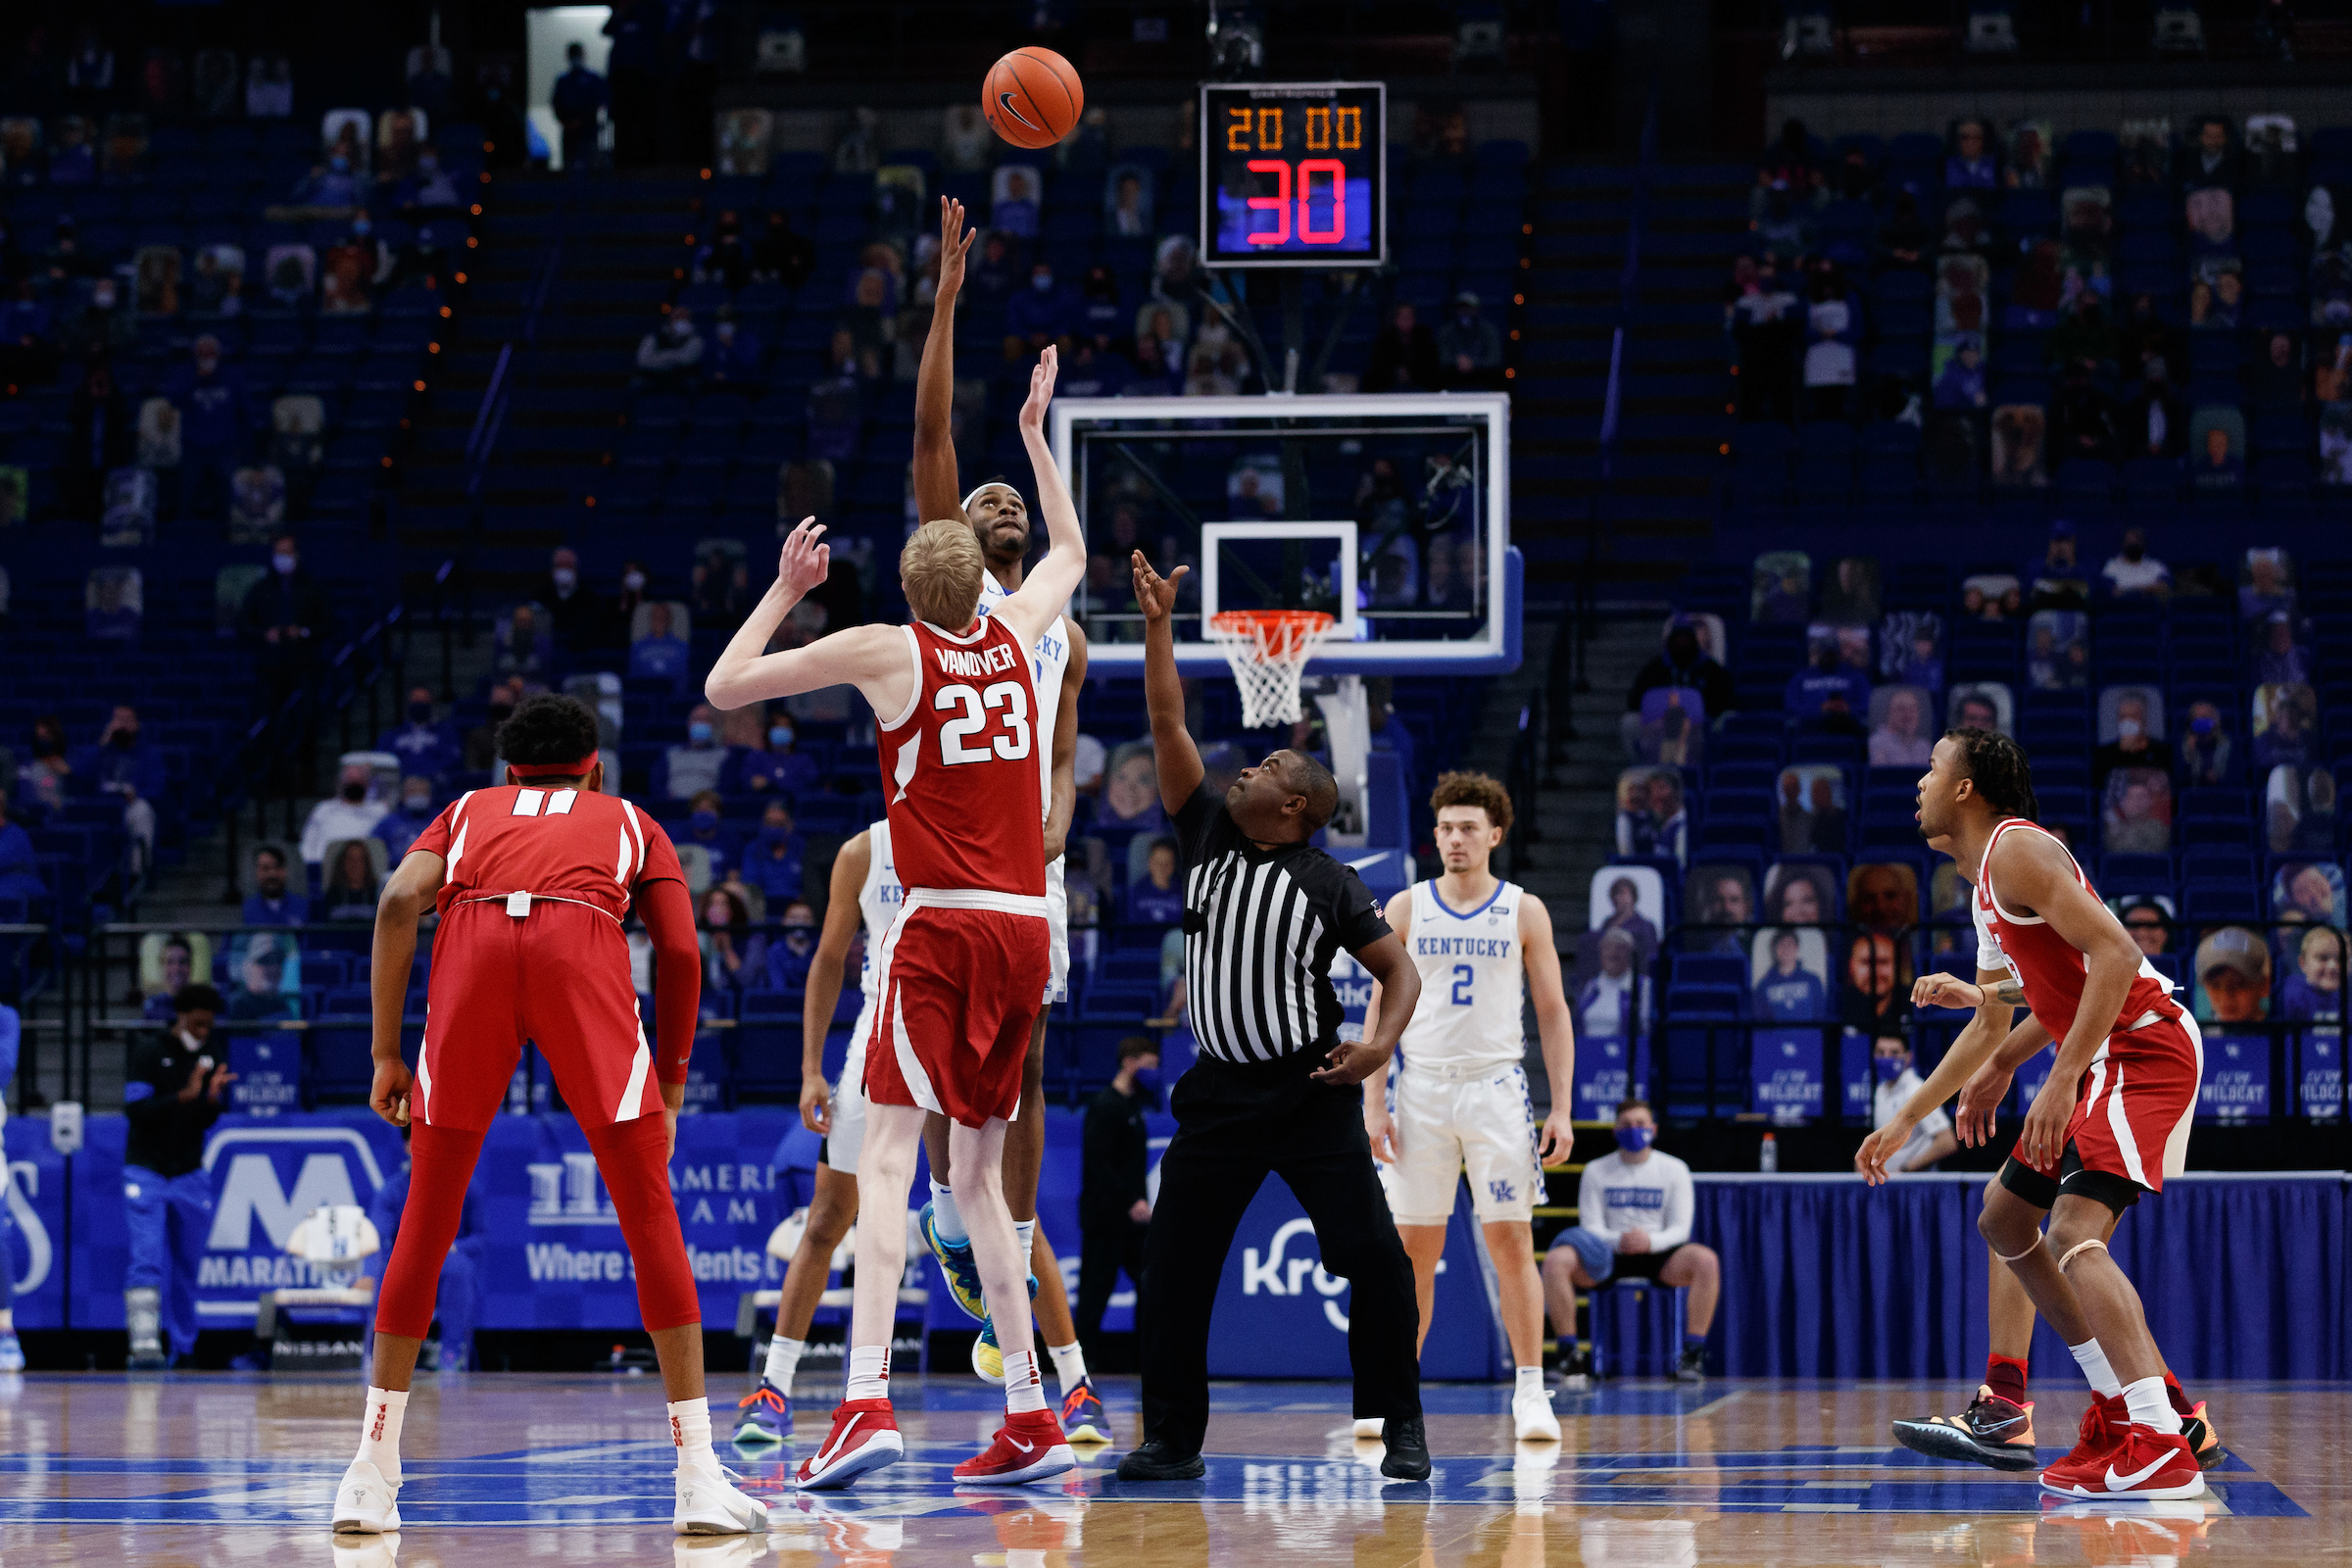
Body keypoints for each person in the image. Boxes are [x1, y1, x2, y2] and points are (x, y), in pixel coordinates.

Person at [701, 344, 1087, 1491]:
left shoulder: (888, 650)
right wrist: (1034, 434)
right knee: (976, 1184)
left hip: (942, 926)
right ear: (980, 583)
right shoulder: (1023, 631)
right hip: (1026, 928)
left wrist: (786, 589)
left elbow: (725, 686)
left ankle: (864, 1399)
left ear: (913, 592)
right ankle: (1033, 1411)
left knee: (883, 1162)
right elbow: (1070, 549)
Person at [331, 695, 766, 1536]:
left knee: (427, 1214)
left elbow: (394, 903)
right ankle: (698, 1477)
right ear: (594, 770)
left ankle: (370, 1471)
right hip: (581, 947)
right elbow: (681, 951)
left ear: (510, 773)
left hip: (473, 949)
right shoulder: (630, 820)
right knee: (649, 1214)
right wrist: (672, 1085)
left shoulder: (467, 811)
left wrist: (386, 1053)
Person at [1114, 548, 1428, 1484]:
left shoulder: (1331, 881)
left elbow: (1399, 973)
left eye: (1268, 765)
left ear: (1293, 805)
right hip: (1217, 1094)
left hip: (1307, 1090)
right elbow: (1166, 719)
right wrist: (1161, 627)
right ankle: (1173, 1438)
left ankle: (1401, 1423)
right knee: (1173, 1264)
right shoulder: (1206, 829)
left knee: (1373, 1254)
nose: (1247, 765)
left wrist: (1375, 1049)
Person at [1864, 728, 2214, 1497]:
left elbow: (2117, 956)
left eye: (1933, 767)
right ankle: (2122, 1410)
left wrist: (2056, 1079)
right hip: (2103, 1054)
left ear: (1965, 788)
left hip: (2142, 1049)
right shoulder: (1984, 885)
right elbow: (2003, 1015)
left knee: (2074, 1234)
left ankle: (2159, 1437)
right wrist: (1909, 1118)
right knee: (2005, 1218)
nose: (1920, 781)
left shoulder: (2018, 849)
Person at [904, 201, 1103, 1436]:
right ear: (957, 534)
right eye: (983, 499)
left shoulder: (1055, 628)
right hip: (941, 858)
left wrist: (1059, 821)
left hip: (1027, 866)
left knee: (1023, 1064)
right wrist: (945, 299)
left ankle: (1005, 1246)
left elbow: (1068, 756)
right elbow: (933, 431)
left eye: (1012, 498)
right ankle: (948, 1215)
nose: (1001, 504)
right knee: (944, 1059)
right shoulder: (951, 597)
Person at [1358, 771, 1576, 1443]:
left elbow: (1553, 1012)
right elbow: (1379, 1009)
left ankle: (1531, 1393)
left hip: (1495, 1090)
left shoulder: (1523, 910)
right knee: (1412, 1253)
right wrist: (1373, 1101)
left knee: (1511, 1242)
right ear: (1436, 835)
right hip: (1420, 1090)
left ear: (1495, 835)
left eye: (1468, 829)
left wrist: (1561, 1107)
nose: (1456, 838)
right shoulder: (1406, 907)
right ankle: (1397, 1396)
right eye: (1447, 828)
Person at [733, 824, 900, 1443]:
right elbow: (829, 959)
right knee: (826, 1219)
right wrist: (810, 1069)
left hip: (951, 1046)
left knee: (1004, 1217)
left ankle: (1064, 1388)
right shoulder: (863, 851)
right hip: (875, 1045)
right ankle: (774, 1388)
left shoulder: (973, 832)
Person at [1541, 1100, 1719, 1381]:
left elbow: (1680, 1229)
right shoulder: (1596, 1170)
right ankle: (1569, 1354)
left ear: (1654, 1129)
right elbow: (1590, 1226)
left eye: (1640, 1124)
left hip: (1660, 1255)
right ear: (1615, 1131)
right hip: (1607, 1255)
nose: (1633, 1129)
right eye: (1626, 1124)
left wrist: (1650, 1242)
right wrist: (1618, 1240)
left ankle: (1692, 1355)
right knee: (1555, 1260)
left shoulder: (1675, 1169)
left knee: (1706, 1261)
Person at [123, 983, 234, 1369]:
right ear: (182, 1016)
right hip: (146, 1168)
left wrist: (212, 1100)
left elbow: (204, 1120)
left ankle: (184, 1347)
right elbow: (136, 1110)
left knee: (188, 1265)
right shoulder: (148, 1050)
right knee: (146, 1258)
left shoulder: (213, 1051)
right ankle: (144, 1344)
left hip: (189, 1171)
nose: (204, 1030)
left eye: (209, 1024)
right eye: (198, 1023)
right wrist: (183, 1096)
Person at [364, 1124, 484, 1373]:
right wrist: (370, 1272)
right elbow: (378, 1238)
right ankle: (378, 1357)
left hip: (447, 1264)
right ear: (408, 1146)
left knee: (458, 1268)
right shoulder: (392, 1191)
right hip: (408, 1263)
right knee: (389, 1270)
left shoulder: (467, 1187)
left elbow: (480, 1238)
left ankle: (451, 1355)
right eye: (418, 1140)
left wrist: (454, 1247)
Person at [1076, 1036, 1157, 1349]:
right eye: (1148, 1065)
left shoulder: (1134, 1104)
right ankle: (1083, 1359)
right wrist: (1130, 1200)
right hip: (1105, 1216)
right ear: (1129, 1062)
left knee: (1150, 1284)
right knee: (1095, 1290)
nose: (1153, 1073)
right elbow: (1098, 1164)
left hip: (1134, 1220)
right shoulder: (1104, 1106)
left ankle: (1143, 1357)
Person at [239, 535, 332, 708]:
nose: (282, 557)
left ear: (296, 554)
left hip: (304, 662)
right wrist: (264, 634)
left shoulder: (313, 588)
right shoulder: (261, 588)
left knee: (308, 710)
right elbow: (243, 624)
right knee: (269, 710)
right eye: (279, 552)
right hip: (270, 664)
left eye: (286, 552)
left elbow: (328, 624)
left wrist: (303, 632)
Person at [1868, 1035, 1956, 1171]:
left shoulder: (1916, 1090)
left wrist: (1905, 1170)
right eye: (1881, 1052)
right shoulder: (1880, 1090)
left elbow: (1947, 1142)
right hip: (1887, 1180)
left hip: (1916, 1182)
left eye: (1894, 1053)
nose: (1887, 1058)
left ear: (1908, 1057)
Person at [302, 761, 388, 872]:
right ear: (341, 783)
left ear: (367, 784)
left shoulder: (379, 811)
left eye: (358, 781)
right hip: (325, 869)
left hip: (367, 871)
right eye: (350, 781)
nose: (354, 784)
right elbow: (308, 842)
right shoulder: (324, 809)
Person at [550, 41, 607, 172]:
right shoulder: (563, 81)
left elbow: (598, 103)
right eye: (572, 55)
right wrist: (567, 122)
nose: (575, 58)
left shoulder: (593, 79)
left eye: (577, 54)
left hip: (588, 132)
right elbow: (556, 104)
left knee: (592, 169)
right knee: (569, 169)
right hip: (569, 133)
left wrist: (581, 121)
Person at [658, 705, 730, 800]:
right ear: (689, 724)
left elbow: (727, 786)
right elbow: (657, 784)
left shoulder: (724, 755)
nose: (700, 723)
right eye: (696, 719)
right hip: (673, 805)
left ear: (714, 725)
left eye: (706, 719)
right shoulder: (671, 754)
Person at [242, 846, 309, 925]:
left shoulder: (304, 907)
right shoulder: (245, 910)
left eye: (278, 867)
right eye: (266, 868)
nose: (272, 874)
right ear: (257, 872)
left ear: (285, 870)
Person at [2100, 528, 2171, 598]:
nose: (2133, 544)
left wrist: (2127, 589)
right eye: (2130, 541)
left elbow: (2164, 587)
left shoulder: (2156, 565)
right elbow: (2113, 591)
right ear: (2123, 543)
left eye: (2137, 541)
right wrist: (2148, 588)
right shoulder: (2112, 565)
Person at [319, 841, 379, 921]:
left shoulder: (377, 894)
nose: (355, 865)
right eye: (350, 859)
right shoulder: (332, 895)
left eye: (360, 860)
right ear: (343, 863)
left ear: (366, 864)